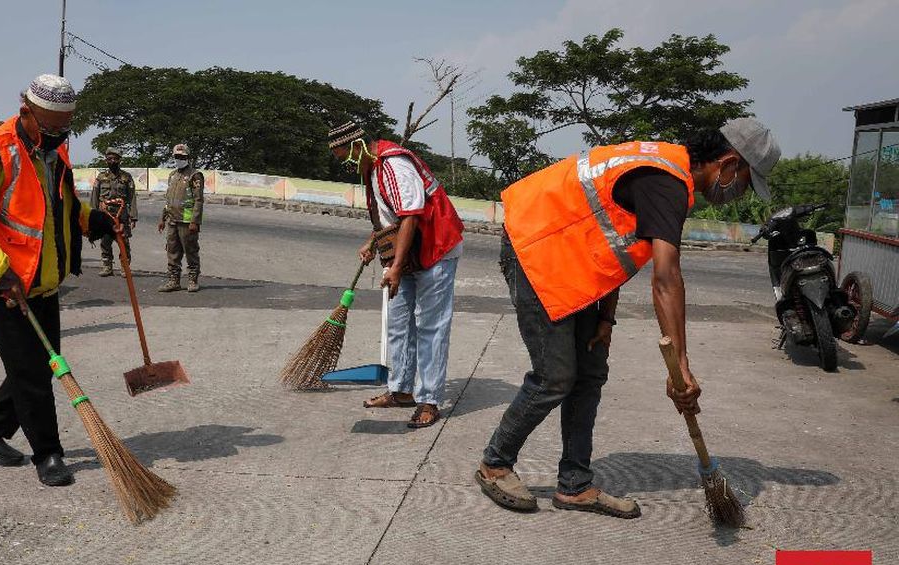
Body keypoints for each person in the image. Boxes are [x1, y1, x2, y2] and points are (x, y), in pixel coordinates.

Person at [475, 118, 780, 518]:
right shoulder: (668, 183)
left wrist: (606, 318)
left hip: (572, 263)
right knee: (555, 376)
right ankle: (495, 463)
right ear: (727, 164)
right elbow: (667, 278)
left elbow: (611, 241)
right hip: (535, 253)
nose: (738, 194)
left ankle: (575, 485)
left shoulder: (664, 169)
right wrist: (681, 367)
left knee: (590, 372)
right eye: (744, 181)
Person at [0, 74, 119, 487]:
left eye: (63, 127)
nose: (56, 134)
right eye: (48, 126)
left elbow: (60, 204)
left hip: (43, 282)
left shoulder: (53, 152)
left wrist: (91, 222)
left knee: (37, 366)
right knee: (32, 373)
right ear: (26, 111)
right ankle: (48, 454)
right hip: (4, 285)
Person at [329, 121, 464, 429]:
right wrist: (373, 242)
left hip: (435, 248)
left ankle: (429, 400)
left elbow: (411, 217)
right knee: (399, 323)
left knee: (430, 326)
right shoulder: (372, 168)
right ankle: (401, 390)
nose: (344, 163)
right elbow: (389, 218)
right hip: (408, 250)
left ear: (356, 146)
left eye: (343, 156)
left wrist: (397, 267)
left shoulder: (395, 165)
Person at [157, 144, 203, 292]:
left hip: (187, 221)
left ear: (188, 158)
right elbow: (168, 199)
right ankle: (173, 280)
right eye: (177, 157)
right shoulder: (172, 175)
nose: (179, 159)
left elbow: (198, 200)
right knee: (172, 251)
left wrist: (195, 221)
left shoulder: (195, 175)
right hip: (172, 220)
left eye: (182, 157)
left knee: (190, 250)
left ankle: (192, 279)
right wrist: (162, 219)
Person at [90, 146, 138, 277]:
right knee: (105, 241)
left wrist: (133, 217)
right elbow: (94, 196)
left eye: (115, 159)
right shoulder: (101, 177)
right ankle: (107, 266)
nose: (112, 161)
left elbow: (132, 197)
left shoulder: (126, 177)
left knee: (124, 241)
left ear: (119, 160)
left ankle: (125, 267)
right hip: (104, 215)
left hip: (121, 215)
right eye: (109, 158)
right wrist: (92, 216)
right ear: (106, 160)